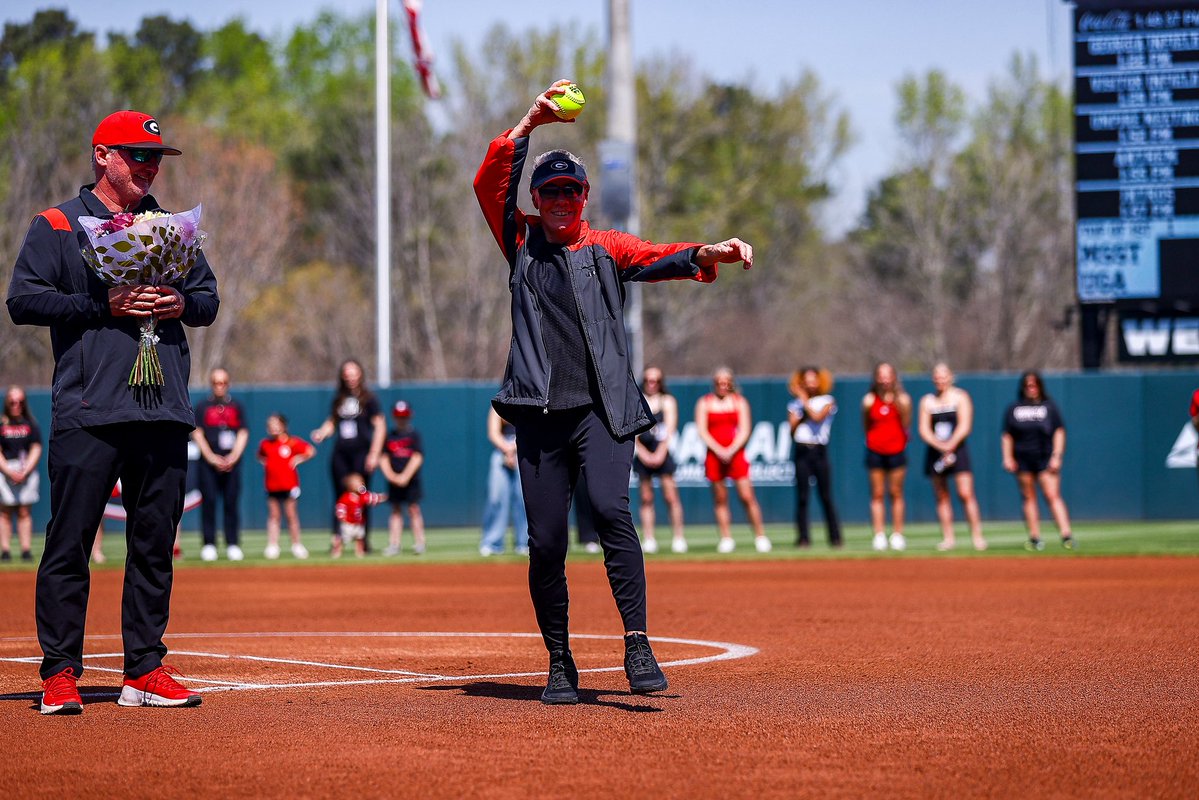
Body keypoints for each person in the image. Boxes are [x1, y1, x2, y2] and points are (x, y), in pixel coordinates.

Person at [474, 79, 755, 704]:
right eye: (550, 192)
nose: (561, 201)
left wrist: (708, 252)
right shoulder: (519, 242)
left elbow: (660, 255)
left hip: (600, 410)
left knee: (609, 509)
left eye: (570, 191)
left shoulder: (604, 247)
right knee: (547, 542)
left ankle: (637, 642)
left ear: (584, 197)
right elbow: (489, 181)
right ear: (536, 198)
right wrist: (531, 120)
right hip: (539, 413)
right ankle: (560, 661)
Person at [7, 109, 216, 713]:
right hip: (90, 407)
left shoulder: (170, 229)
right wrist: (104, 304)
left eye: (156, 157)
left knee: (154, 543)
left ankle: (143, 668)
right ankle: (60, 671)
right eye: (138, 155)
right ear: (103, 155)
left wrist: (179, 301)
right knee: (70, 542)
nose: (150, 167)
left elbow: (208, 300)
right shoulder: (57, 224)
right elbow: (23, 300)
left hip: (162, 407)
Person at [696, 367, 771, 554]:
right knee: (720, 497)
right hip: (714, 455)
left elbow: (745, 430)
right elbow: (702, 430)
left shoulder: (740, 402)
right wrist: (719, 450)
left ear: (731, 383)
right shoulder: (705, 403)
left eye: (726, 381)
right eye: (719, 382)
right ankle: (726, 538)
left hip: (736, 454)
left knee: (747, 496)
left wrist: (731, 449)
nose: (722, 385)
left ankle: (760, 536)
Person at [312, 359, 386, 550]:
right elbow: (332, 422)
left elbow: (380, 426)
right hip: (341, 454)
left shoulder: (369, 399)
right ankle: (338, 539)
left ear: (360, 375)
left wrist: (374, 453)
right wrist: (322, 433)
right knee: (340, 497)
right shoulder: (339, 399)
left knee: (362, 496)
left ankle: (362, 540)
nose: (351, 377)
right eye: (347, 374)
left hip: (361, 453)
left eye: (354, 373)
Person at [1002, 371, 1075, 551]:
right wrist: (1007, 457)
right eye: (1028, 385)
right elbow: (1007, 435)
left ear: (1040, 386)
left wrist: (1057, 455)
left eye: (1034, 384)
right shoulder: (1014, 408)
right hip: (1022, 458)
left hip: (1045, 457)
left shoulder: (1049, 406)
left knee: (1052, 495)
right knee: (1028, 496)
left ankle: (1066, 536)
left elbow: (1059, 431)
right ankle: (1035, 538)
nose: (1031, 388)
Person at [917, 363, 986, 551]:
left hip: (958, 450)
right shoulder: (927, 401)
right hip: (936, 452)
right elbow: (924, 429)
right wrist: (940, 446)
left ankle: (977, 537)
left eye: (943, 376)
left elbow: (965, 426)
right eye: (937, 377)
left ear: (950, 377)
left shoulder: (960, 397)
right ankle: (948, 538)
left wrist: (951, 445)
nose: (940, 380)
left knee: (965, 493)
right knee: (941, 495)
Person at [191, 368, 248, 562]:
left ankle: (232, 544)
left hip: (232, 462)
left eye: (223, 382)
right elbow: (197, 433)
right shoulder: (202, 406)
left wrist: (233, 456)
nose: (219, 386)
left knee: (231, 503)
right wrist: (211, 457)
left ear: (228, 384)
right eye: (216, 382)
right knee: (209, 502)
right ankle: (209, 544)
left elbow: (243, 432)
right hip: (209, 463)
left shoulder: (236, 406)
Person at [634, 367, 687, 554]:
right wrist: (643, 454)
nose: (652, 384)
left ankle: (679, 538)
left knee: (671, 496)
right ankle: (649, 538)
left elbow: (670, 429)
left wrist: (660, 453)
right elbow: (633, 432)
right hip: (643, 453)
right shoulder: (637, 399)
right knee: (646, 497)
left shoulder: (667, 401)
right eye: (649, 380)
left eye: (655, 380)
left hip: (662, 452)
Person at [786, 367, 842, 549]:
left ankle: (835, 538)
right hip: (802, 450)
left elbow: (817, 418)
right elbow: (792, 429)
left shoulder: (827, 400)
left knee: (825, 496)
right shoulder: (794, 404)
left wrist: (804, 402)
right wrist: (801, 407)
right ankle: (803, 538)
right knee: (802, 497)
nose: (810, 383)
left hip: (819, 450)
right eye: (806, 380)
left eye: (813, 379)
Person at [862, 362, 911, 552]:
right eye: (881, 375)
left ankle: (898, 534)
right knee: (877, 493)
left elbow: (906, 424)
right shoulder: (869, 400)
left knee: (896, 492)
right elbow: (866, 425)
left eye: (887, 375)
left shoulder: (903, 400)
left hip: (896, 450)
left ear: (894, 377)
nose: (884, 379)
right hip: (875, 450)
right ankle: (879, 535)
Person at [257, 413, 314, 560]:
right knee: (274, 515)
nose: (273, 428)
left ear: (283, 426)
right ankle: (273, 545)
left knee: (291, 515)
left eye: (276, 424)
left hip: (289, 485)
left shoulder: (292, 442)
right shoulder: (265, 444)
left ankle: (296, 545)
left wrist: (297, 459)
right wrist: (268, 465)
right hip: (272, 485)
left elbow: (310, 451)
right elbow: (260, 456)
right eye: (270, 425)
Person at [479, 408, 529, 557]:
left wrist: (515, 448)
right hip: (501, 450)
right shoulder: (498, 405)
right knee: (496, 497)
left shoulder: (529, 402)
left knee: (524, 499)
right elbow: (493, 433)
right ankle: (492, 543)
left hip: (525, 449)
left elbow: (532, 430)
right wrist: (508, 450)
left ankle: (525, 543)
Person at [0, 385, 42, 563]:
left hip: (26, 470)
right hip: (6, 469)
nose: (16, 405)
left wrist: (25, 471)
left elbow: (36, 448)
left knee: (25, 511)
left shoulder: (30, 424)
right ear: (7, 403)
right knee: (5, 512)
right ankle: (5, 551)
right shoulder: (2, 424)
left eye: (19, 401)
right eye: (12, 401)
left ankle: (26, 550)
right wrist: (8, 471)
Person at [379, 401, 426, 556]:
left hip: (411, 479)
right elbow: (383, 457)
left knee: (414, 509)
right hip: (394, 479)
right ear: (394, 417)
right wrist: (391, 476)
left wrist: (405, 476)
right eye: (399, 417)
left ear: (410, 416)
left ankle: (420, 543)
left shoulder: (414, 435)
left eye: (404, 416)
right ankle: (394, 544)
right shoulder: (389, 436)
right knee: (395, 510)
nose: (401, 420)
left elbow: (417, 457)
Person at [333, 473, 386, 559]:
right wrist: (341, 516)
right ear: (350, 485)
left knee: (360, 538)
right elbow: (340, 507)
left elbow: (371, 498)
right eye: (358, 483)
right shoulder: (346, 497)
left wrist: (382, 497)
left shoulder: (362, 496)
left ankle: (359, 551)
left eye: (361, 482)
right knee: (343, 538)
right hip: (348, 523)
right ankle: (337, 550)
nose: (361, 484)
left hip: (359, 523)